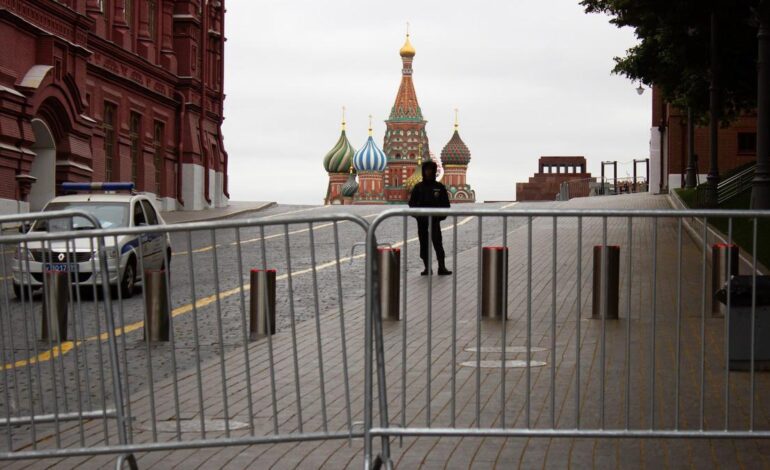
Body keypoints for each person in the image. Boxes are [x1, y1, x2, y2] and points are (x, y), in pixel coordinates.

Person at [408, 161, 452, 276]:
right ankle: (427, 268)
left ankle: (441, 267)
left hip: (435, 221)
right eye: (426, 169)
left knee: (438, 244)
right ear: (423, 171)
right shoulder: (418, 188)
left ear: (434, 171)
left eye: (431, 169)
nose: (428, 172)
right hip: (422, 221)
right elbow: (411, 204)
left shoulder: (439, 187)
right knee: (424, 244)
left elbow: (446, 205)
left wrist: (440, 216)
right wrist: (417, 215)